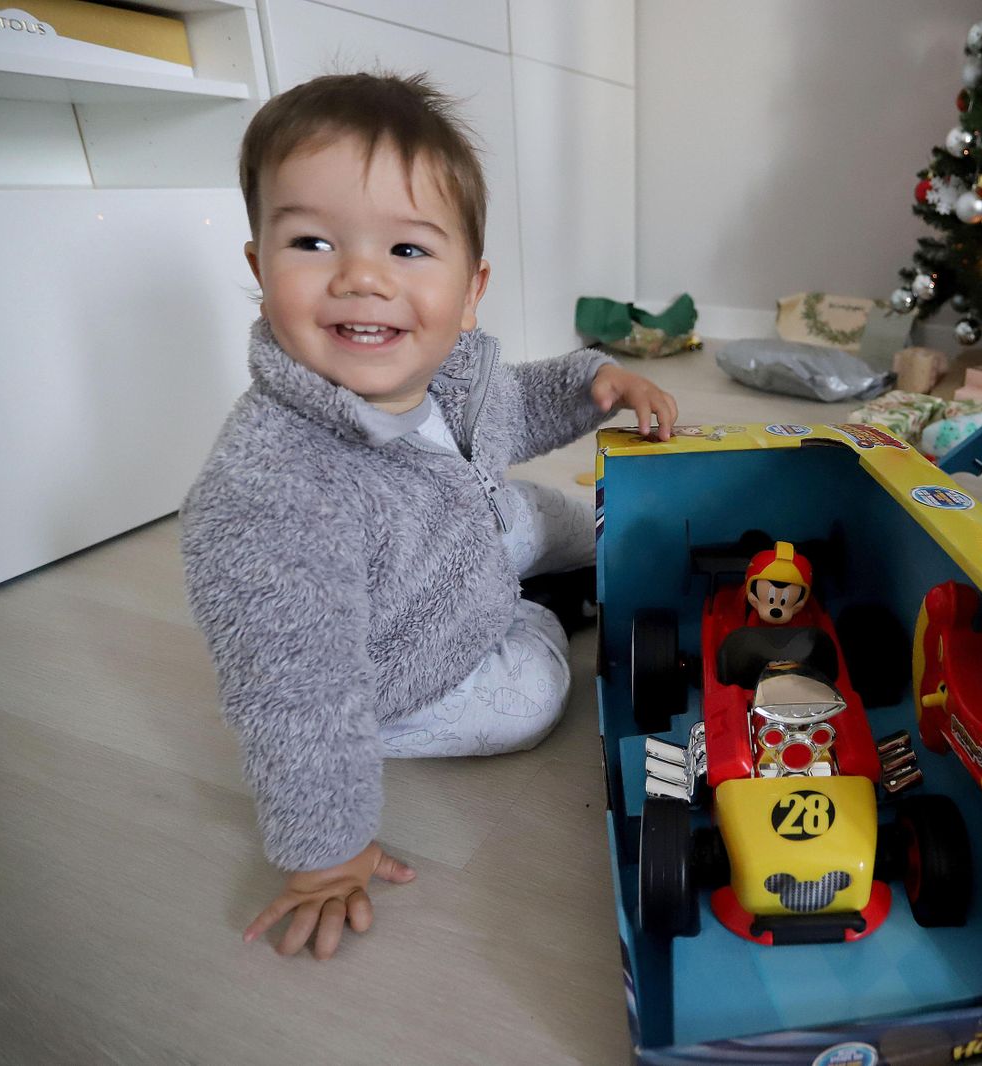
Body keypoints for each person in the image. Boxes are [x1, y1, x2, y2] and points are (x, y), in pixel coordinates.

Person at [180, 71, 676, 961]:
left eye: (407, 250)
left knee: (548, 513)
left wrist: (594, 383)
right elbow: (297, 698)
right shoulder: (273, 495)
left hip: (450, 537)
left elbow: (514, 406)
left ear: (472, 288)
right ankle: (530, 612)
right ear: (259, 267)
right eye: (313, 241)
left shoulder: (450, 367)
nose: (362, 279)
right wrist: (325, 856)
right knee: (533, 691)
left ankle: (535, 574)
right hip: (406, 661)